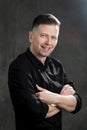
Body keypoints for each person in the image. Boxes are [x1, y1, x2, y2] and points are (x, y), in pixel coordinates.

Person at [8, 13, 82, 130]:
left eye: (53, 37)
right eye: (43, 35)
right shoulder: (19, 68)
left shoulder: (58, 67)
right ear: (31, 36)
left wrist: (54, 98)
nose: (48, 42)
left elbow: (77, 103)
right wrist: (63, 100)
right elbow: (35, 112)